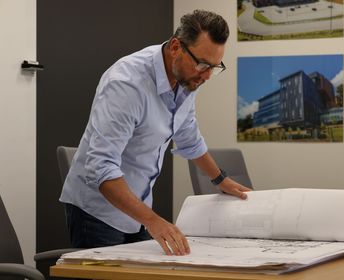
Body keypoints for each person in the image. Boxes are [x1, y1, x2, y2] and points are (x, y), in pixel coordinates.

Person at [59, 10, 251, 256]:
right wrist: (154, 221)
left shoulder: (187, 78)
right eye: (203, 64)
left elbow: (189, 136)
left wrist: (220, 180)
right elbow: (101, 167)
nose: (207, 76)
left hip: (137, 208)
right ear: (175, 47)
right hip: (98, 212)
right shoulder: (127, 84)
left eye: (214, 67)